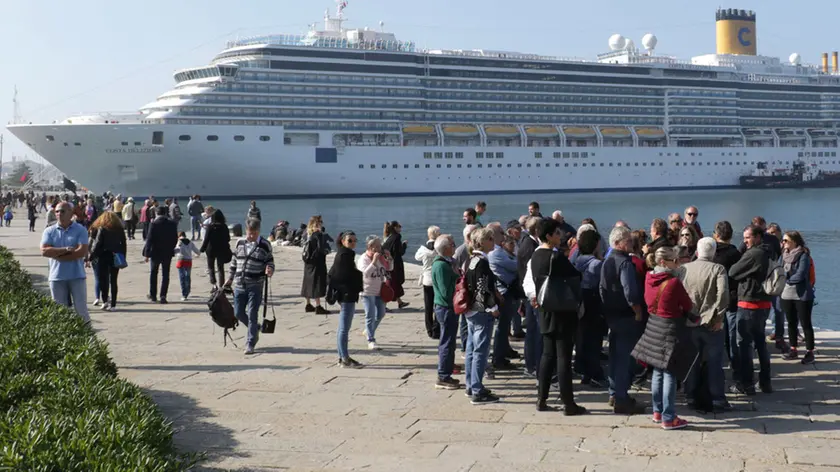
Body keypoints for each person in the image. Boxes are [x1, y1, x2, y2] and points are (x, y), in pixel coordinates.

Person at [524, 218, 587, 415]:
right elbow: (576, 275)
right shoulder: (555, 257)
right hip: (561, 310)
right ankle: (568, 403)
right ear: (549, 236)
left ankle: (541, 399)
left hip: (545, 309)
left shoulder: (536, 256)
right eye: (557, 233)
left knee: (547, 355)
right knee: (563, 358)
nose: (561, 237)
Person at [632, 246, 697, 430]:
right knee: (670, 372)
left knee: (657, 371)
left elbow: (647, 300)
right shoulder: (673, 283)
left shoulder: (648, 278)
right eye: (674, 260)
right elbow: (687, 304)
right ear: (663, 262)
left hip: (653, 325)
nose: (677, 264)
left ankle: (657, 411)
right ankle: (669, 417)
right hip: (670, 328)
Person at [678, 237, 732, 412]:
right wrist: (719, 318)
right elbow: (723, 295)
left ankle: (691, 395)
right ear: (714, 253)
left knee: (691, 361)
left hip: (688, 320)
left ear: (697, 252)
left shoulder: (683, 268)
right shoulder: (718, 269)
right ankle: (717, 397)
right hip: (710, 322)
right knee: (714, 362)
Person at [599, 225, 646, 414]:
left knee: (615, 355)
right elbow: (630, 292)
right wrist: (637, 310)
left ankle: (613, 392)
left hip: (612, 315)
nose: (631, 243)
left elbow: (602, 289)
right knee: (624, 358)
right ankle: (621, 398)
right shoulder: (624, 263)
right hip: (626, 315)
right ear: (618, 243)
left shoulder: (606, 261)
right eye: (627, 240)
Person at [728, 224, 773, 396]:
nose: (744, 240)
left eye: (748, 237)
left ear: (758, 237)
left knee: (744, 344)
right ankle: (765, 381)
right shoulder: (769, 251)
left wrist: (743, 255)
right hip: (764, 304)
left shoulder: (754, 254)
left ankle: (747, 384)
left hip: (749, 302)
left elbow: (733, 271)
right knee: (761, 343)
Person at [224, 218, 275, 355]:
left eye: (254, 233)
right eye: (249, 233)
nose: (251, 236)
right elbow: (234, 262)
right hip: (239, 284)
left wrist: (269, 269)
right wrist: (229, 279)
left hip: (255, 285)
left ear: (258, 231)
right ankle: (255, 328)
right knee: (238, 313)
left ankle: (250, 342)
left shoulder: (265, 245)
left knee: (253, 313)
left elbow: (270, 261)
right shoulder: (240, 242)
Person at [463, 227, 501, 405]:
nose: (493, 242)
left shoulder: (471, 260)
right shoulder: (483, 263)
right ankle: (477, 390)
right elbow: (482, 288)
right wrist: (491, 308)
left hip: (470, 310)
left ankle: (470, 385)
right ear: (482, 242)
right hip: (480, 311)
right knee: (481, 350)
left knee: (472, 349)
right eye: (490, 239)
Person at [40, 202, 90, 323]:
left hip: (76, 276)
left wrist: (57, 255)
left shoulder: (80, 230)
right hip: (56, 276)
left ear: (71, 213)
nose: (59, 214)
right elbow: (44, 251)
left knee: (81, 310)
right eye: (57, 211)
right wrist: (66, 250)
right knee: (59, 311)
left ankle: (87, 337)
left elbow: (81, 252)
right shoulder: (49, 231)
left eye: (63, 211)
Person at [572, 229, 607, 388]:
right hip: (594, 301)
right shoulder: (597, 264)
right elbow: (603, 285)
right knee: (595, 339)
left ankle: (581, 367)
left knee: (582, 336)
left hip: (580, 300)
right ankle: (594, 372)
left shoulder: (576, 260)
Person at [328, 231, 364, 368]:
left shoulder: (342, 253)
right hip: (347, 295)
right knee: (344, 328)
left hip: (344, 294)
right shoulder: (345, 255)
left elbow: (332, 273)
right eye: (350, 241)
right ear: (343, 241)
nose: (353, 243)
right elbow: (341, 276)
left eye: (355, 240)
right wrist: (358, 276)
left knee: (343, 328)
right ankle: (344, 358)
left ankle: (342, 356)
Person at [780, 231, 816, 364]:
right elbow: (778, 270)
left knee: (806, 323)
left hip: (802, 295)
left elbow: (801, 274)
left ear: (794, 241)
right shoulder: (783, 254)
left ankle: (810, 351)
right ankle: (793, 348)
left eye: (786, 241)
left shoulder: (803, 255)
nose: (783, 243)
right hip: (786, 294)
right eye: (783, 240)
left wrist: (785, 280)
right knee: (791, 322)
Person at [712, 221, 742, 377]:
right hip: (732, 299)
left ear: (716, 235)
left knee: (717, 338)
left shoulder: (712, 254)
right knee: (732, 339)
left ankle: (716, 373)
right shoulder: (736, 254)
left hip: (715, 301)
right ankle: (736, 372)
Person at [432, 234, 461, 389]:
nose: (455, 246)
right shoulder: (442, 266)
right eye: (452, 244)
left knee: (449, 342)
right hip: (445, 307)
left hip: (447, 307)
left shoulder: (445, 263)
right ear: (446, 248)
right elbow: (445, 291)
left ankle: (447, 371)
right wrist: (457, 277)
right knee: (447, 342)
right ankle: (443, 375)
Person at [488, 233, 521, 370]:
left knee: (505, 325)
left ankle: (503, 352)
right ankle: (498, 358)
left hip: (507, 292)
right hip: (504, 293)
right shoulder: (496, 253)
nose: (503, 235)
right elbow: (515, 266)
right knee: (502, 327)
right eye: (500, 233)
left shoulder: (501, 252)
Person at [87, 211, 127, 312]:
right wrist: (123, 257)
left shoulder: (102, 229)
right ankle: (113, 304)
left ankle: (105, 301)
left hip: (103, 256)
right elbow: (124, 244)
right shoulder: (119, 229)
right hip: (115, 256)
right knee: (113, 280)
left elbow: (97, 243)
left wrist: (90, 256)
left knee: (102, 280)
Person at [357, 235, 392, 350]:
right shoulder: (364, 258)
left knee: (381, 313)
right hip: (367, 291)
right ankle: (371, 340)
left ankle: (368, 330)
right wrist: (374, 261)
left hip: (379, 290)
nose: (379, 247)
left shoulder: (380, 257)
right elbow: (365, 273)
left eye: (380, 245)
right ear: (370, 246)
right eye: (377, 245)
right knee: (370, 315)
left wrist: (389, 258)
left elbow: (389, 269)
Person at [517, 216, 542, 377]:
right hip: (532, 294)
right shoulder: (529, 246)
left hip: (530, 293)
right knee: (535, 331)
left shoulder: (529, 243)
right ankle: (532, 364)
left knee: (533, 330)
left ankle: (532, 363)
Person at [142, 206, 178, 303]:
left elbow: (149, 239)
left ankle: (153, 295)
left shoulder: (153, 224)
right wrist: (171, 247)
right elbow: (175, 238)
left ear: (157, 213)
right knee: (165, 274)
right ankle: (163, 296)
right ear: (166, 213)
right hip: (167, 252)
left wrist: (146, 254)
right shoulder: (172, 224)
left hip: (155, 252)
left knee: (154, 273)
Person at [415, 225, 442, 339]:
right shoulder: (439, 247)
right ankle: (437, 329)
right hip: (438, 279)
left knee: (428, 306)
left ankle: (429, 329)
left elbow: (417, 257)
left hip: (427, 279)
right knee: (439, 305)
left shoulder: (423, 249)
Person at [302, 216, 330, 314]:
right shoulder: (318, 235)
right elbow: (321, 248)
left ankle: (308, 304)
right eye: (319, 223)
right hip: (317, 262)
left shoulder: (306, 233)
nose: (321, 225)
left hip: (308, 261)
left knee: (308, 282)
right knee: (317, 282)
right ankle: (318, 306)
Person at [200, 210, 231, 290]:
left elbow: (206, 239)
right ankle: (221, 286)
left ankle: (214, 285)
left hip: (210, 249)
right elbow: (228, 238)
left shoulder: (210, 227)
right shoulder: (224, 226)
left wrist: (202, 249)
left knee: (211, 267)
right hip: (221, 249)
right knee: (220, 268)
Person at [382, 221, 410, 310]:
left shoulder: (389, 237)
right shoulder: (397, 237)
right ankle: (383, 304)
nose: (400, 228)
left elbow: (385, 249)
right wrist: (404, 245)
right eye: (399, 226)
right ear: (395, 227)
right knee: (391, 284)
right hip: (395, 265)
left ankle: (400, 302)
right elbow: (399, 252)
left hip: (389, 263)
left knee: (395, 283)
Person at [174, 231, 201, 301]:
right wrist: (197, 254)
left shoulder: (179, 241)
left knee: (182, 277)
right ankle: (188, 290)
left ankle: (184, 294)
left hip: (181, 260)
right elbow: (197, 251)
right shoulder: (190, 242)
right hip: (189, 261)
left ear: (179, 236)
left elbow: (177, 249)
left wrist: (171, 252)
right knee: (187, 276)